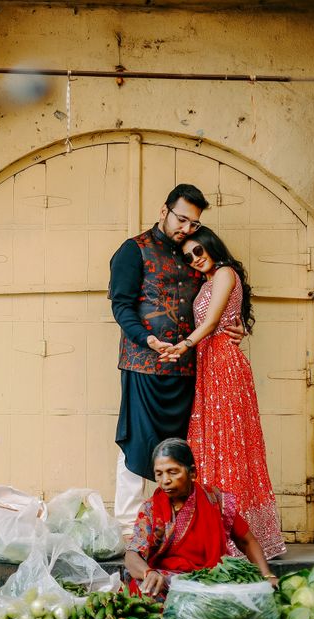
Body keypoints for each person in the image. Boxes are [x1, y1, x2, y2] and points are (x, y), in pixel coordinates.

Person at [107, 184, 243, 534]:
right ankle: (128, 527)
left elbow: (220, 294)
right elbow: (121, 306)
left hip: (189, 367)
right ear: (163, 210)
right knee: (137, 443)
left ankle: (177, 525)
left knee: (185, 449)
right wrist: (146, 339)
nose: (186, 228)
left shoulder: (192, 253)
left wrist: (236, 323)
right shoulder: (133, 250)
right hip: (143, 363)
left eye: (193, 223)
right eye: (181, 219)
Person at [159, 227, 286, 559]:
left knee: (229, 448)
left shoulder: (226, 273)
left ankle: (240, 537)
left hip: (225, 366)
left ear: (212, 246)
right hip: (208, 367)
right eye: (188, 256)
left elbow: (214, 321)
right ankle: (213, 529)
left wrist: (183, 345)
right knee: (209, 448)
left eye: (199, 251)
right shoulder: (206, 281)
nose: (195, 259)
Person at [125, 439, 277, 598]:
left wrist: (267, 576)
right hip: (169, 581)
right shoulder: (151, 509)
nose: (165, 481)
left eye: (173, 472)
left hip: (212, 580)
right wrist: (148, 573)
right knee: (141, 586)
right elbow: (132, 554)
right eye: (159, 474)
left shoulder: (215, 501)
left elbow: (247, 541)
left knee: (248, 591)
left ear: (192, 473)